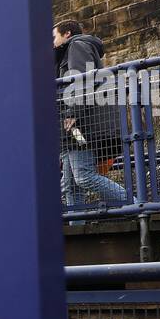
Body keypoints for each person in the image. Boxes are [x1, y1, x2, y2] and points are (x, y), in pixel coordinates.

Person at [54, 19, 125, 215]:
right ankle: (77, 225)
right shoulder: (64, 54)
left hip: (81, 123)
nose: (52, 41)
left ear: (67, 33)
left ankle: (135, 204)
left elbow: (81, 79)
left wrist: (72, 113)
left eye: (54, 36)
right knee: (70, 185)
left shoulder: (76, 45)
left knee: (83, 177)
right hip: (72, 127)